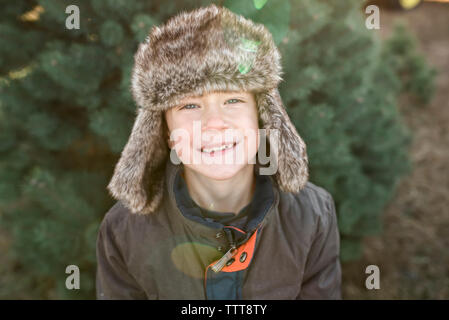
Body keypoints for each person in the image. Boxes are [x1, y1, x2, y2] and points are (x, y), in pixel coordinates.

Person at [96, 3, 342, 300]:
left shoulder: (313, 216)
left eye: (233, 100)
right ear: (165, 133)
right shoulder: (123, 232)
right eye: (189, 105)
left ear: (262, 117)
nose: (213, 124)